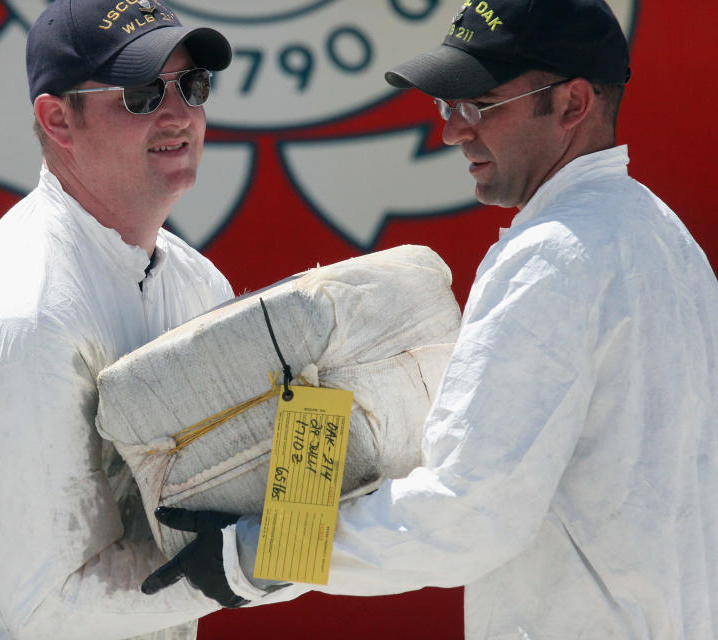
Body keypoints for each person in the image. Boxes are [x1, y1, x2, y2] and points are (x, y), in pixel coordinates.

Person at [141, 1, 718, 637]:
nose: (452, 131)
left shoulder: (553, 259)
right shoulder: (663, 238)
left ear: (572, 105)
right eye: (448, 105)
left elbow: (465, 514)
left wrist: (253, 555)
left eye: (480, 104)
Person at [0, 1, 236, 638]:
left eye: (192, 86)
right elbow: (51, 605)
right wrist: (257, 560)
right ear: (58, 119)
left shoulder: (199, 286)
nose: (179, 114)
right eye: (142, 92)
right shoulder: (20, 314)